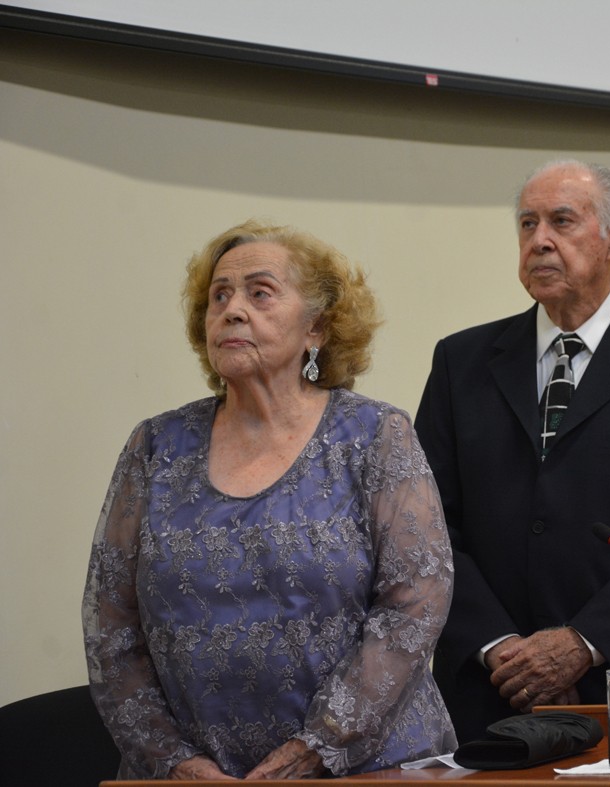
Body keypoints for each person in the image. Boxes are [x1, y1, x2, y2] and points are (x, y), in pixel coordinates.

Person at [82, 220, 457, 779]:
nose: (233, 310)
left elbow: (415, 601)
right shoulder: (155, 445)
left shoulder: (374, 435)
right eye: (219, 296)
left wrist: (319, 745)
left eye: (260, 293)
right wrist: (172, 761)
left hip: (365, 766)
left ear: (318, 328)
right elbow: (109, 624)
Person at [416, 160, 610, 742]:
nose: (539, 240)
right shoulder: (459, 363)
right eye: (527, 224)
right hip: (487, 694)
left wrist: (581, 645)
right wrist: (501, 650)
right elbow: (427, 531)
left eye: (562, 222)